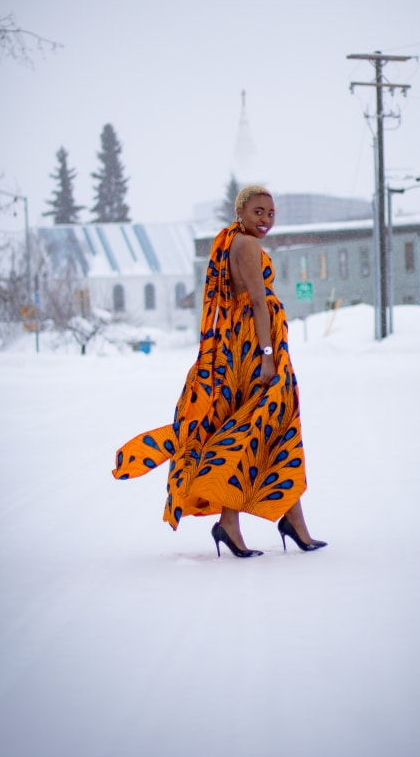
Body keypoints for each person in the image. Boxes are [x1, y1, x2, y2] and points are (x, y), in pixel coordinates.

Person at [113, 185, 326, 558]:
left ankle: (282, 521)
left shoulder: (231, 243)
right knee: (266, 428)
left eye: (271, 213)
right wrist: (266, 353)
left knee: (272, 429)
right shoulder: (246, 245)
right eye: (258, 211)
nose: (266, 219)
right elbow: (257, 301)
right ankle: (251, 522)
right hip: (256, 350)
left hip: (245, 347)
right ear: (240, 212)